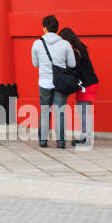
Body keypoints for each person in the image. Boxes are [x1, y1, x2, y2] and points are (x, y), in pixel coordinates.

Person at [32, 15, 76, 149]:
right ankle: (61, 141)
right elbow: (72, 64)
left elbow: (35, 64)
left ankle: (43, 141)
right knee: (60, 112)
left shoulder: (37, 43)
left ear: (44, 28)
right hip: (60, 82)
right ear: (57, 28)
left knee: (45, 110)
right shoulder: (65, 44)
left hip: (44, 81)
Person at [60, 27, 99, 146]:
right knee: (83, 111)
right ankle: (84, 136)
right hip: (90, 83)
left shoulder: (76, 51)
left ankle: (86, 138)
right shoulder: (80, 48)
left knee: (83, 112)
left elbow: (74, 68)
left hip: (86, 84)